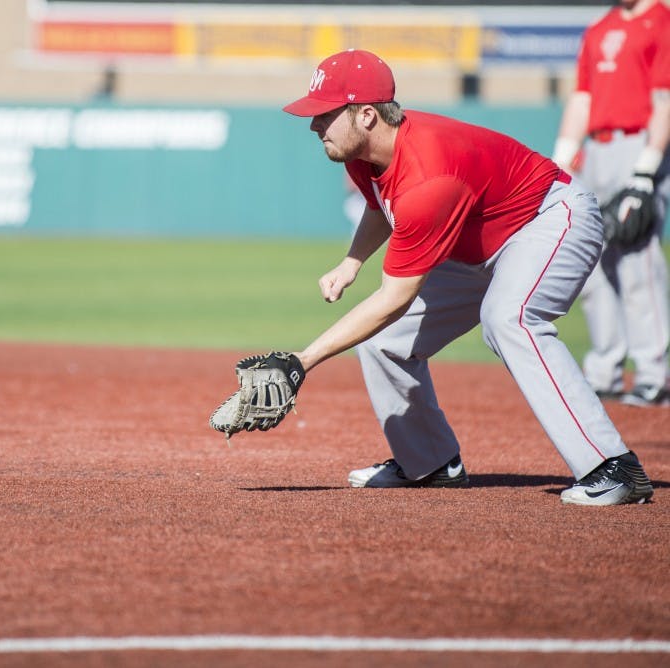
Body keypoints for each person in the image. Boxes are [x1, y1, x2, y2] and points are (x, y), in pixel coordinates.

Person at [278, 49, 653, 505]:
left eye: (324, 114)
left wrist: (302, 360)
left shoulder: (427, 176)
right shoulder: (364, 155)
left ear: (368, 116)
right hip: (478, 245)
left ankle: (612, 466)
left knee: (510, 318)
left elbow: (394, 296)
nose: (314, 125)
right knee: (384, 342)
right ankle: (431, 464)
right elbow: (380, 206)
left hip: (549, 218)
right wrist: (351, 262)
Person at [552, 0, 670, 407]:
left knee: (638, 261)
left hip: (636, 143)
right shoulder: (599, 26)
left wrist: (646, 169)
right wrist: (561, 159)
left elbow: (665, 99)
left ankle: (654, 374)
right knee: (590, 260)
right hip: (596, 151)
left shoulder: (662, 21)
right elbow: (582, 99)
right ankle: (605, 368)